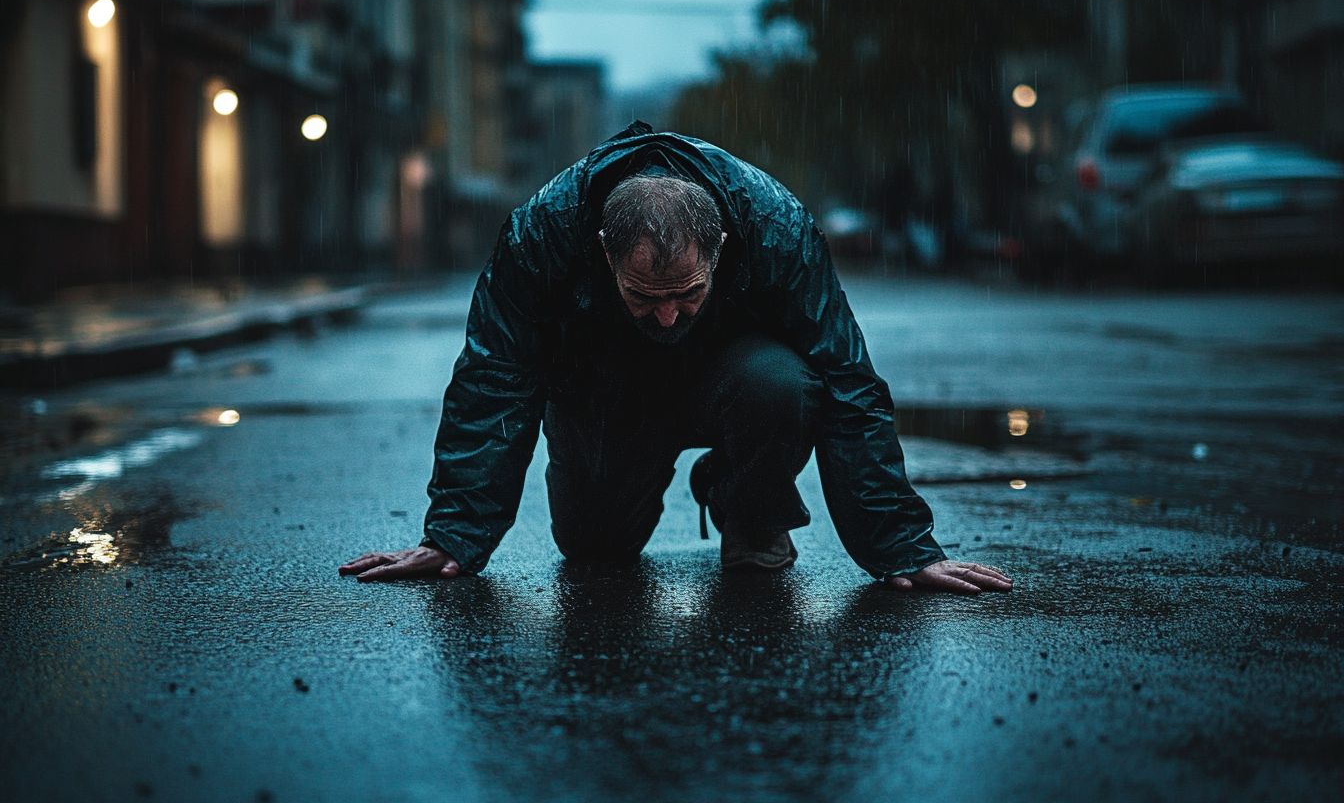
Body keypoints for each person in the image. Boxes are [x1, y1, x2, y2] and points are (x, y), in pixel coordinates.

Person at [340, 123, 1011, 596]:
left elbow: (849, 382)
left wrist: (902, 548)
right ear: (604, 252)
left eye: (687, 294)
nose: (667, 316)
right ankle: (621, 484)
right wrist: (453, 536)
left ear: (719, 248)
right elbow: (493, 379)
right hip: (603, 391)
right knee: (596, 552)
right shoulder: (540, 233)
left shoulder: (777, 228)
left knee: (784, 382)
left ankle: (750, 512)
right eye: (644, 296)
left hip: (733, 381)